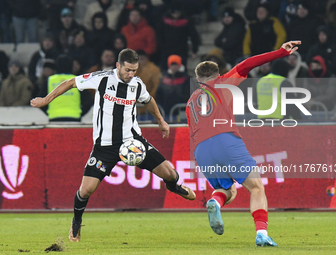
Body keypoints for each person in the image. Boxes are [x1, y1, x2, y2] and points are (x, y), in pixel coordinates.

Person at [30, 48, 196, 242]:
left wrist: (161, 121)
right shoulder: (102, 78)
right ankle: (76, 222)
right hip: (105, 146)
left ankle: (174, 187)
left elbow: (149, 100)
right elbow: (71, 82)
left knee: (170, 173)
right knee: (86, 190)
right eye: (128, 70)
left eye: (134, 70)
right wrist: (45, 100)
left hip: (133, 142)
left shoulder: (137, 84)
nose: (131, 74)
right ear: (118, 66)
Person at [186, 40, 301, 247]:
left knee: (228, 189)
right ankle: (262, 233)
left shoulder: (191, 100)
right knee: (256, 187)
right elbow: (249, 63)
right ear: (218, 74)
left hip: (201, 149)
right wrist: (279, 53)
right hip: (225, 140)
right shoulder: (223, 82)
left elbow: (192, 133)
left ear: (197, 79)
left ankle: (215, 201)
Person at [39, 54, 93, 121]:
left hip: (54, 118)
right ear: (71, 66)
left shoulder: (49, 80)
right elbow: (88, 102)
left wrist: (50, 112)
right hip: (74, 117)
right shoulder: (77, 80)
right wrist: (80, 113)